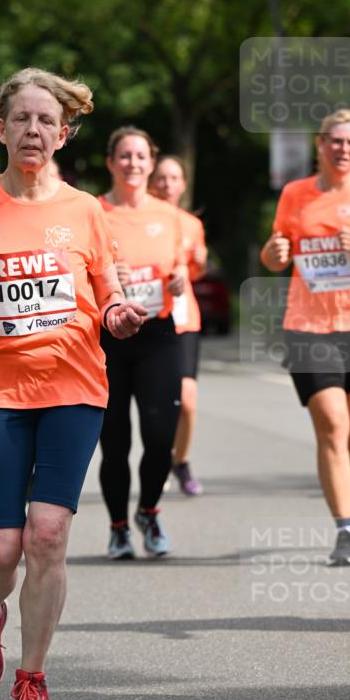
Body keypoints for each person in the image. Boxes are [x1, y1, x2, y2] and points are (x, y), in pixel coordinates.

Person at [0, 67, 145, 700]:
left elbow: (110, 295)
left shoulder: (86, 211)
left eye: (46, 120)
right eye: (21, 118)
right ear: (1, 127)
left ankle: (32, 677)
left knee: (46, 535)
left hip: (74, 388)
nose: (33, 129)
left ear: (64, 134)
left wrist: (118, 317)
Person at [261, 109, 350, 567]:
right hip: (309, 325)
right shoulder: (296, 194)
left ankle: (343, 489)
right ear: (321, 144)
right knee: (332, 425)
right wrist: (273, 252)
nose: (342, 149)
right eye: (334, 141)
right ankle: (346, 528)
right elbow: (277, 255)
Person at [98, 127, 187, 559]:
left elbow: (180, 267)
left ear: (151, 163)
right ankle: (118, 527)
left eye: (140, 156)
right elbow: (78, 276)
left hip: (158, 335)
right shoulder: (93, 212)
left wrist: (182, 277)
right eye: (124, 156)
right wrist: (112, 279)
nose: (133, 163)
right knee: (114, 442)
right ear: (111, 162)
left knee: (159, 437)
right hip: (109, 337)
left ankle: (149, 510)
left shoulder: (168, 215)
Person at [150, 154, 208, 496]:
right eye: (162, 177)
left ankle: (180, 460)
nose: (167, 184)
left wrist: (197, 265)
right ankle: (153, 460)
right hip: (147, 316)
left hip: (184, 317)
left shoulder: (191, 224)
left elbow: (194, 273)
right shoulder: (135, 219)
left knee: (187, 399)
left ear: (183, 185)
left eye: (174, 178)